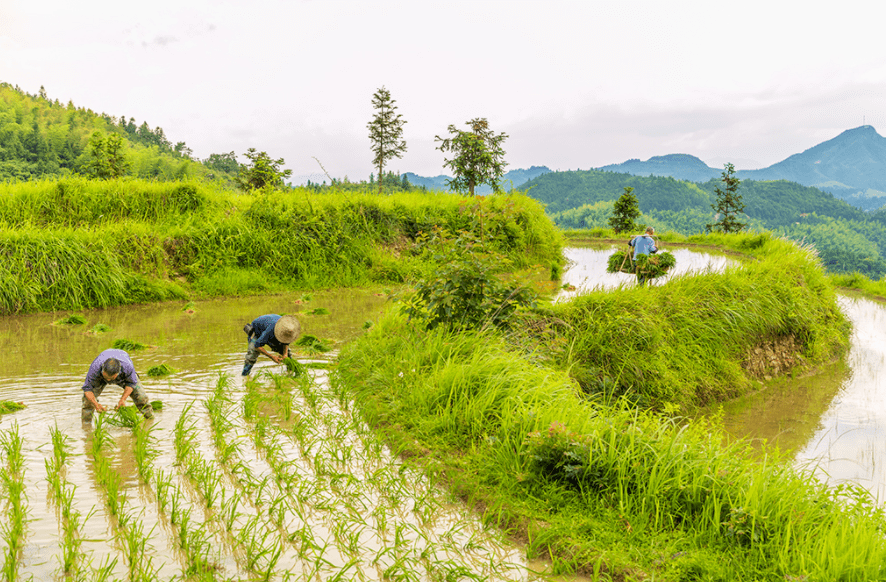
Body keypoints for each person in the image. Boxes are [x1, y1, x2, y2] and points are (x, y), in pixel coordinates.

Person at [81, 349, 153, 423]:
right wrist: (96, 404)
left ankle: (150, 419)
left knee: (141, 397)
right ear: (102, 370)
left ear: (118, 373)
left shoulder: (127, 367)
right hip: (100, 377)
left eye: (111, 378)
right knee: (87, 402)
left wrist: (123, 399)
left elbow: (131, 384)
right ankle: (86, 426)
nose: (108, 380)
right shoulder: (95, 368)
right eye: (106, 377)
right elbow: (87, 389)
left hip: (123, 370)